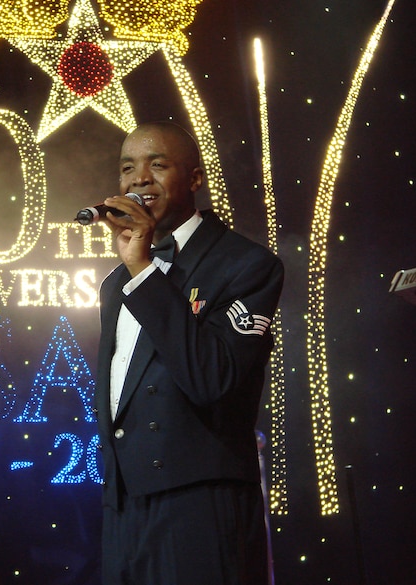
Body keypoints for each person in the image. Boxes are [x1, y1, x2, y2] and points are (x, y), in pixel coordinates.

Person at [93, 121, 284, 585]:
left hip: (201, 500)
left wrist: (142, 269)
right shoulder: (117, 282)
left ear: (195, 179)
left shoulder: (245, 264)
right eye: (127, 168)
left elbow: (211, 379)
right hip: (125, 505)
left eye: (157, 164)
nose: (139, 178)